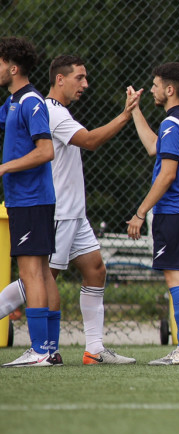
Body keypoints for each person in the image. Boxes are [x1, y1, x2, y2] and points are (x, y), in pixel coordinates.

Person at [0, 55, 141, 364]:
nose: (85, 84)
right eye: (80, 77)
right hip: (58, 212)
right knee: (39, 278)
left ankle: (94, 350)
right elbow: (90, 140)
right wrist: (124, 115)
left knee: (95, 270)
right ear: (60, 79)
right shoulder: (49, 110)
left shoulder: (55, 110)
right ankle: (46, 349)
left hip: (74, 213)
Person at [128, 62, 179, 365]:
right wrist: (135, 110)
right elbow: (154, 148)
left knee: (176, 278)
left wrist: (140, 212)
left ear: (170, 89)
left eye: (156, 85)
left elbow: (167, 173)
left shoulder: (172, 124)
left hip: (173, 211)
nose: (152, 90)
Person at [0, 37, 61, 368]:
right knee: (42, 272)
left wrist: (5, 167)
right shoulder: (12, 102)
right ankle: (49, 349)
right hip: (26, 200)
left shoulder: (31, 101)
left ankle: (39, 351)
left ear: (13, 68)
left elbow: (45, 151)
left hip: (31, 199)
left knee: (31, 273)